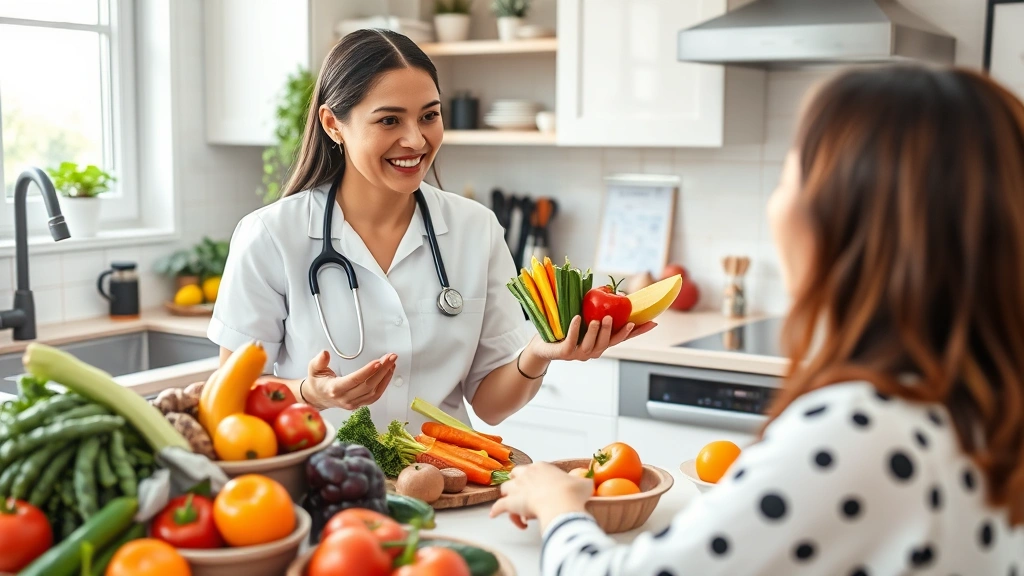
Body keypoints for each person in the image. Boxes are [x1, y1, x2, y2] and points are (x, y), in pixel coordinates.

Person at [490, 65, 1024, 575]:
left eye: (793, 170)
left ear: (848, 217)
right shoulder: (984, 410)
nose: (776, 203)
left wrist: (558, 507)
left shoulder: (856, 431)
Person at [208, 29, 654, 431]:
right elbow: (231, 401)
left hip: (448, 485)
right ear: (333, 125)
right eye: (389, 120)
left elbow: (490, 405)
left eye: (429, 116)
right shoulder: (269, 236)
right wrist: (310, 394)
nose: (417, 140)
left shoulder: (475, 229)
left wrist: (538, 354)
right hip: (323, 493)